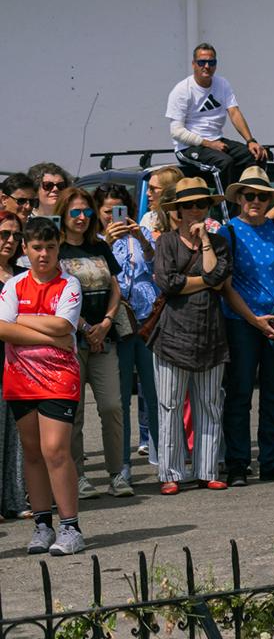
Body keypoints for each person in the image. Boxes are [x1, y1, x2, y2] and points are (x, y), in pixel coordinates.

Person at [0, 217, 84, 556]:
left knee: (55, 451)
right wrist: (48, 332)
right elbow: (3, 330)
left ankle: (71, 527)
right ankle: (42, 525)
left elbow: (65, 323)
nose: (43, 254)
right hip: (19, 379)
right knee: (32, 453)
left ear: (58, 247)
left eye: (50, 247)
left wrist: (20, 318)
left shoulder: (70, 284)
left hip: (59, 379)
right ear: (25, 248)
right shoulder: (14, 285)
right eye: (37, 248)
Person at [219, 168, 274, 486]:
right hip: (242, 322)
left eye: (262, 196)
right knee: (239, 395)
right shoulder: (229, 232)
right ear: (239, 198)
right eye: (250, 195)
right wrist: (254, 319)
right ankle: (238, 463)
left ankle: (271, 459)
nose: (255, 200)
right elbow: (226, 286)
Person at [148, 177, 231, 494]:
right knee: (168, 406)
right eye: (188, 205)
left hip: (210, 333)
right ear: (178, 211)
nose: (195, 210)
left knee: (209, 403)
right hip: (171, 335)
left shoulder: (219, 243)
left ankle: (207, 469)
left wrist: (206, 241)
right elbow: (168, 283)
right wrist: (207, 281)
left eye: (201, 204)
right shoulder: (166, 242)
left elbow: (218, 275)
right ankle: (170, 474)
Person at [55, 186, 133, 499]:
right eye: (75, 212)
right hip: (70, 342)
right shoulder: (56, 249)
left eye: (87, 212)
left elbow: (115, 288)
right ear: (63, 214)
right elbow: (55, 296)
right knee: (73, 414)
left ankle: (117, 474)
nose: (83, 218)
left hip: (104, 336)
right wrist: (87, 327)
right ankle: (79, 477)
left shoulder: (100, 247)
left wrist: (105, 322)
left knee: (113, 406)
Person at [95, 184, 159, 484]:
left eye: (119, 210)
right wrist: (106, 245)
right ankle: (120, 466)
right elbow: (100, 277)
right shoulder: (95, 242)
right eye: (108, 211)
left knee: (155, 392)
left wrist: (139, 238)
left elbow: (156, 266)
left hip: (146, 320)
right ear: (98, 212)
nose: (113, 217)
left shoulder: (141, 234)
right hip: (116, 324)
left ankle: (163, 459)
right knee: (119, 399)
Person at [166, 42, 267, 189]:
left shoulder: (222, 84)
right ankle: (229, 211)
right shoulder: (182, 90)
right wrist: (209, 144)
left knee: (257, 155)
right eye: (202, 62)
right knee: (224, 163)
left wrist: (250, 140)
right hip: (188, 147)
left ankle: (250, 201)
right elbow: (176, 131)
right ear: (194, 64)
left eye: (211, 62)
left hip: (217, 141)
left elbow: (234, 112)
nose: (207, 66)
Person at [0, 212, 28, 519]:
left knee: (18, 435)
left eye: (16, 236)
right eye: (4, 234)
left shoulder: (23, 273)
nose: (10, 241)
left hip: (22, 362)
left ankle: (15, 499)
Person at [140, 166, 184, 236]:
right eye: (148, 187)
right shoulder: (149, 219)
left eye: (152, 188)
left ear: (169, 191)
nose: (147, 193)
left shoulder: (191, 216)